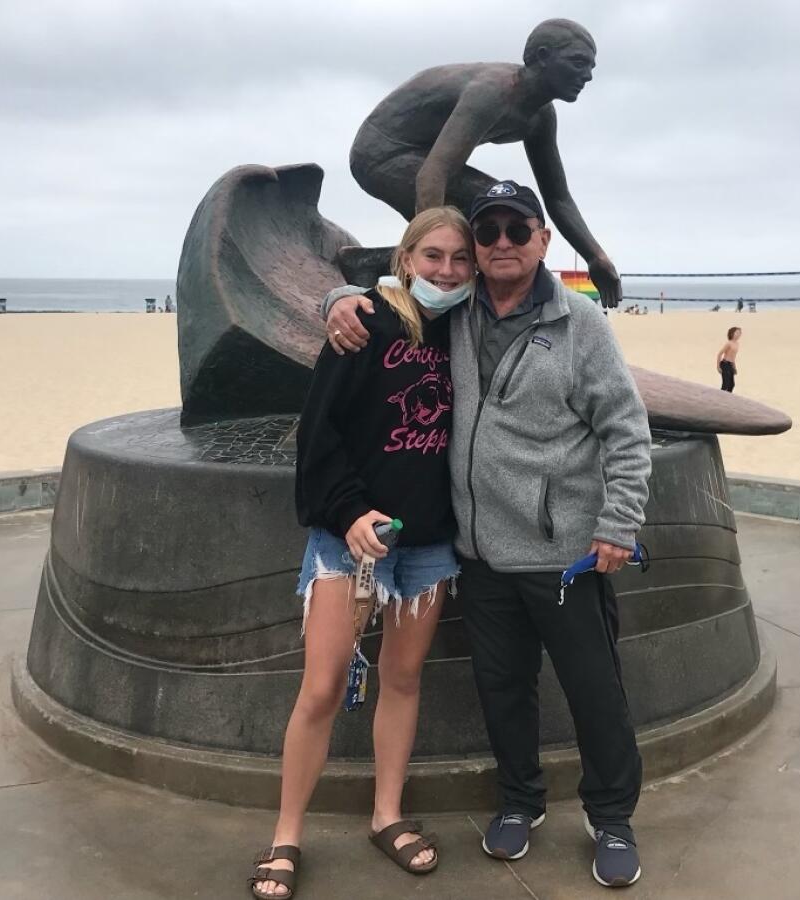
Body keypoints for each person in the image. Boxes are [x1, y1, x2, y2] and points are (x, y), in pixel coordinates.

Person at [324, 181, 651, 888]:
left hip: (562, 552)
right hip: (478, 551)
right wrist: (335, 300)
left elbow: (626, 428)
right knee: (502, 687)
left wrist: (618, 521)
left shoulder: (580, 326)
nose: (500, 242)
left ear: (542, 240)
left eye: (515, 229)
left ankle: (613, 817)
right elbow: (392, 297)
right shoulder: (455, 313)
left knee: (594, 688)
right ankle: (521, 801)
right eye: (489, 231)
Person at [250, 208, 474, 899]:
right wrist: (348, 512)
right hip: (352, 543)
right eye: (431, 255)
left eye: (458, 259)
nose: (445, 270)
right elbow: (318, 436)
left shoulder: (467, 332)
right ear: (405, 258)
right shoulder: (365, 323)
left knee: (402, 681)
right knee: (319, 690)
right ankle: (286, 837)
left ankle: (388, 815)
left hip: (430, 547)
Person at [344, 19, 621, 306]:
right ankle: (429, 286)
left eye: (591, 67)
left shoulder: (541, 116)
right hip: (379, 153)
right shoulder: (494, 92)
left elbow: (558, 198)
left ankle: (369, 263)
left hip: (420, 158)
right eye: (578, 63)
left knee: (503, 214)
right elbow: (433, 174)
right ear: (542, 57)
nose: (587, 76)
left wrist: (595, 256)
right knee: (494, 213)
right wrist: (438, 256)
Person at [716, 326, 741, 392]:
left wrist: (734, 368)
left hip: (730, 365)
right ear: (732, 333)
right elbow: (719, 354)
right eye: (737, 332)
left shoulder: (737, 344)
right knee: (725, 384)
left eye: (740, 333)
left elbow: (733, 357)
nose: (739, 334)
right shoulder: (729, 343)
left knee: (732, 384)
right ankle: (720, 397)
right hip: (725, 364)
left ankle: (727, 398)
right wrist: (718, 366)